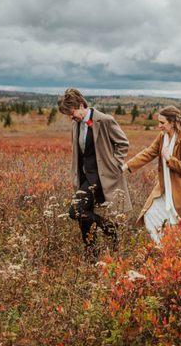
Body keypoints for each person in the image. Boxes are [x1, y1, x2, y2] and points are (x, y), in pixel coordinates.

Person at [57, 88, 132, 257]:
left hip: (101, 177)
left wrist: (114, 165)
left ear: (81, 105)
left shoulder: (105, 120)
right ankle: (92, 254)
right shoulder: (75, 124)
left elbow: (123, 143)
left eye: (72, 112)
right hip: (84, 176)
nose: (71, 117)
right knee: (82, 216)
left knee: (75, 211)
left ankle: (109, 228)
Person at [123, 106, 181, 243]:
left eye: (162, 123)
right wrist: (127, 166)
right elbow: (149, 152)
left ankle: (177, 251)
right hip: (164, 187)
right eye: (159, 122)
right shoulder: (162, 137)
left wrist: (170, 159)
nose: (159, 126)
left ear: (173, 123)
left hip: (180, 190)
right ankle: (162, 247)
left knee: (180, 224)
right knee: (150, 215)